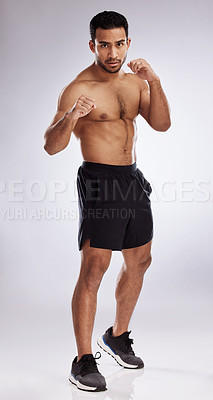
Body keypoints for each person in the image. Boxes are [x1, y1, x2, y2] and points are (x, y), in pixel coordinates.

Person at [44, 10, 171, 392]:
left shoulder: (135, 83)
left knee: (140, 259)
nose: (112, 52)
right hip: (99, 180)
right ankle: (83, 361)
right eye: (104, 44)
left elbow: (162, 124)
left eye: (118, 44)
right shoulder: (78, 88)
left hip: (132, 178)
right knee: (94, 268)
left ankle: (117, 337)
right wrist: (71, 116)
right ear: (92, 45)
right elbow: (51, 146)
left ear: (128, 42)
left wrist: (155, 82)